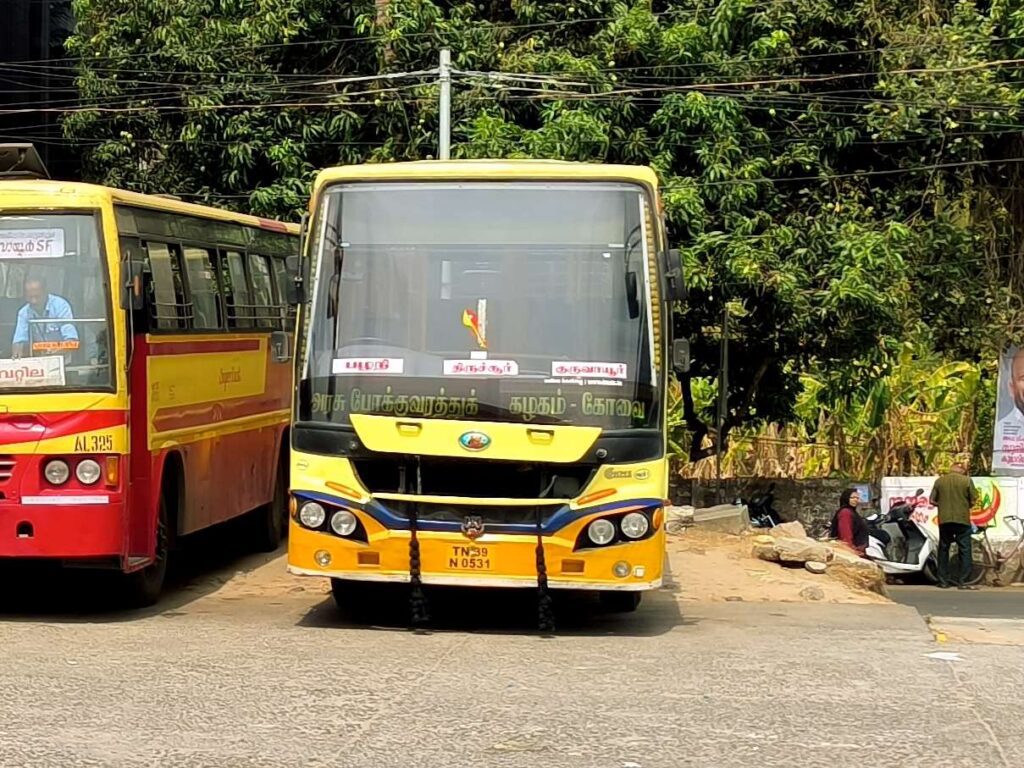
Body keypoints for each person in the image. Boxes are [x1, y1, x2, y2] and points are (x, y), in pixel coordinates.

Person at [929, 462, 978, 590]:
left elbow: (932, 500)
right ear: (962, 471)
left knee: (944, 548)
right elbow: (973, 499)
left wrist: (942, 505)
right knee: (965, 549)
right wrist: (965, 505)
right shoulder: (967, 481)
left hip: (944, 520)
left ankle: (943, 581)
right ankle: (963, 581)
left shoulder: (940, 481)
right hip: (962, 520)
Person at [11, 277, 78, 359]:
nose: (33, 301)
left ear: (45, 292)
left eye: (37, 297)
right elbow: (19, 340)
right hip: (38, 362)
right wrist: (16, 356)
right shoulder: (24, 312)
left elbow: (72, 342)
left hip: (63, 361)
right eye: (30, 297)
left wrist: (54, 352)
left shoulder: (60, 305)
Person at [829, 488, 872, 556]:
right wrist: (852, 552)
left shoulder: (852, 512)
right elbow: (845, 535)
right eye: (852, 498)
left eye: (857, 498)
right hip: (851, 552)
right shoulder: (845, 513)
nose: (855, 500)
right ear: (846, 498)